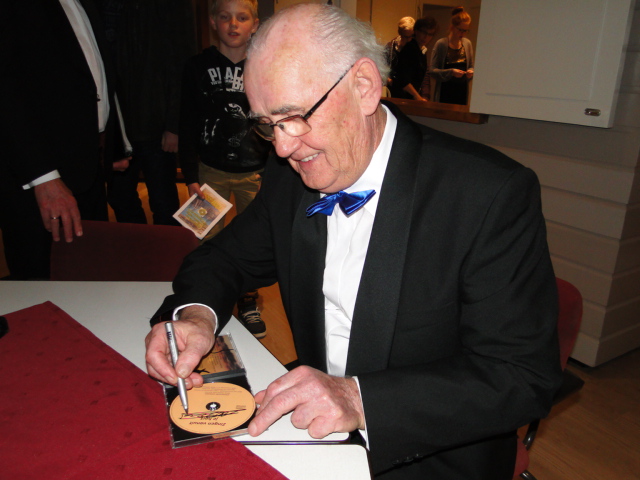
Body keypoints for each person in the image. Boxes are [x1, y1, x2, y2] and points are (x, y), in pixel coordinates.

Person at [144, 4, 562, 479]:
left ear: (363, 87)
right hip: (314, 436)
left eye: (294, 117)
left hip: (430, 454)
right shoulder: (291, 177)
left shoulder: (487, 194)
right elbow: (225, 257)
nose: (282, 147)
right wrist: (196, 316)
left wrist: (359, 400)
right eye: (267, 124)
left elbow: (522, 376)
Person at [0, 0, 128, 280]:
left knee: (87, 277)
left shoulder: (85, 4)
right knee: (39, 283)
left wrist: (113, 145)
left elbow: (96, 77)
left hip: (89, 167)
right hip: (39, 179)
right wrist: (43, 178)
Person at [178, 0, 272, 338]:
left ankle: (247, 300)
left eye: (242, 17)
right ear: (213, 22)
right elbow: (187, 122)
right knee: (206, 239)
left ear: (254, 24)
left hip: (254, 174)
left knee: (253, 242)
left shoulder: (265, 66)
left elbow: (274, 120)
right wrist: (190, 176)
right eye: (225, 16)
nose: (233, 24)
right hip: (209, 173)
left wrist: (273, 175)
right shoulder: (196, 67)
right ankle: (207, 299)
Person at [104, 0, 197, 226]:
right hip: (118, 123)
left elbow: (182, 65)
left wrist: (173, 126)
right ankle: (140, 245)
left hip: (157, 125)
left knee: (164, 203)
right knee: (120, 198)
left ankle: (167, 249)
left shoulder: (173, 7)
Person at [430, 6, 474, 105]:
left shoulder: (467, 44)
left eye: (466, 30)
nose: (463, 33)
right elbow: (432, 71)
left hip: (462, 93)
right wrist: (451, 72)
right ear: (452, 27)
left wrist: (471, 72)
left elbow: (471, 66)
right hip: (445, 93)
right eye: (460, 30)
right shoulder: (441, 44)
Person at [390, 16, 437, 101]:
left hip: (407, 97)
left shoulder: (420, 49)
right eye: (424, 32)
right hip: (401, 97)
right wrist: (417, 96)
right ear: (416, 31)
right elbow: (402, 78)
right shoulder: (410, 48)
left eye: (430, 34)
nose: (426, 37)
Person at [385, 16, 414, 87]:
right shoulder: (390, 47)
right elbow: (382, 68)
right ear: (400, 33)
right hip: (394, 88)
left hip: (411, 89)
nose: (409, 40)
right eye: (406, 37)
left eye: (412, 36)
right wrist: (387, 79)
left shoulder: (417, 49)